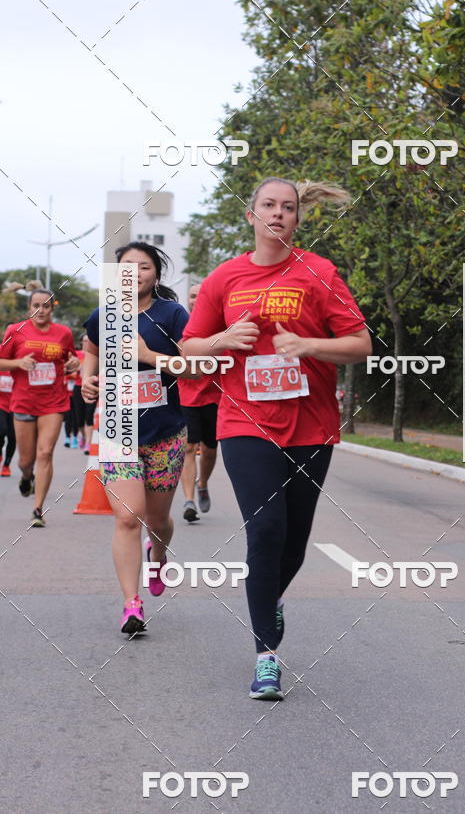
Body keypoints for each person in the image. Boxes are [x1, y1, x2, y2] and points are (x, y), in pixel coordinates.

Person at [182, 177, 372, 700]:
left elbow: (360, 344)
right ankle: (267, 655)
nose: (278, 213)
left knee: (292, 543)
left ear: (297, 218)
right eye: (269, 205)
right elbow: (190, 346)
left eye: (287, 207)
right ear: (251, 215)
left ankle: (269, 598)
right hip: (244, 422)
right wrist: (223, 338)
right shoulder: (225, 277)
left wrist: (307, 344)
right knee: (264, 531)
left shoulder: (320, 272)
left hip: (310, 425)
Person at [82, 242, 197, 634]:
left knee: (157, 520)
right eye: (127, 266)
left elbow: (191, 366)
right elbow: (91, 348)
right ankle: (132, 604)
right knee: (128, 518)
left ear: (156, 274)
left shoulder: (173, 314)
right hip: (118, 429)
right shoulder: (103, 316)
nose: (135, 273)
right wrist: (87, 380)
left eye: (143, 266)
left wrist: (150, 357)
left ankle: (159, 554)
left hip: (165, 430)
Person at [0, 289, 79, 526]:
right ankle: (26, 477)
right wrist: (18, 363)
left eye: (45, 306)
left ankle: (38, 509)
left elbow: (71, 359)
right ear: (29, 307)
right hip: (24, 400)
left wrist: (73, 362)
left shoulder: (63, 333)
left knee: (45, 453)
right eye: (36, 305)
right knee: (26, 460)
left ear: (52, 308)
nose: (40, 310)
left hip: (53, 402)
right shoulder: (15, 330)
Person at [178, 282, 220, 523]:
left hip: (215, 396)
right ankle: (188, 500)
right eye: (192, 295)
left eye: (200, 295)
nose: (196, 299)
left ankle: (202, 483)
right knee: (188, 448)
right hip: (187, 395)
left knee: (210, 450)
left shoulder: (220, 323)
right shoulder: (181, 324)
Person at [0, 369, 16, 476]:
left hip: (15, 407)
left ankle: (6, 465)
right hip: (1, 405)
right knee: (2, 430)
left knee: (12, 437)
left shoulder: (17, 369)